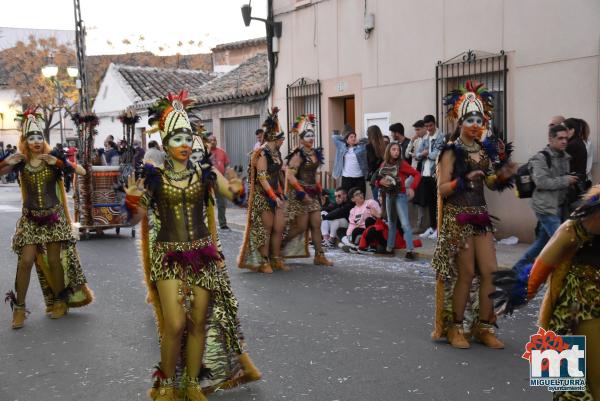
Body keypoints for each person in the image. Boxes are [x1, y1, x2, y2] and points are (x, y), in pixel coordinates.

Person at [125, 91, 260, 400]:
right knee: (174, 325)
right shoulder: (154, 176)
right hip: (167, 256)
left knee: (198, 322)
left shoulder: (206, 173)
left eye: (188, 138)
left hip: (203, 255)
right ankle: (167, 383)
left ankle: (190, 383)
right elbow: (134, 217)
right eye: (177, 139)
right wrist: (133, 200)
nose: (184, 144)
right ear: (165, 142)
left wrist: (239, 188)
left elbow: (237, 198)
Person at [431, 81, 517, 349]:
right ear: (459, 120)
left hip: (481, 218)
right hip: (458, 219)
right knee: (466, 274)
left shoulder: (485, 150)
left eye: (479, 118)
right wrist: (463, 180)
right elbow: (443, 189)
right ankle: (456, 328)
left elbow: (490, 182)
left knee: (490, 272)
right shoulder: (450, 152)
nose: (475, 123)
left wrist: (502, 175)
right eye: (470, 118)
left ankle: (484, 327)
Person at [492, 186, 600, 400]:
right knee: (569, 388)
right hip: (577, 307)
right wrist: (514, 298)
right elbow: (538, 270)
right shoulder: (574, 228)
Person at [0, 108, 93, 329]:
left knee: (53, 261)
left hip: (54, 217)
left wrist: (59, 163)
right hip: (31, 219)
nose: (36, 141)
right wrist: (6, 161)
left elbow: (81, 172)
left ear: (44, 139)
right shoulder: (20, 162)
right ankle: (19, 308)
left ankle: (60, 301)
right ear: (25, 141)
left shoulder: (53, 160)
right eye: (31, 138)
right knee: (25, 261)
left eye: (39, 137)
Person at [512, 124, 577, 274]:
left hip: (559, 206)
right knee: (562, 242)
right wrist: (566, 180)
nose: (564, 141)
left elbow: (560, 180)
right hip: (545, 207)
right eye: (560, 138)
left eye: (566, 138)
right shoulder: (540, 158)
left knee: (542, 243)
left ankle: (516, 271)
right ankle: (565, 275)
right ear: (551, 139)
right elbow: (542, 182)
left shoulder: (565, 157)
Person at [238, 107, 287, 273]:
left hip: (275, 194)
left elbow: (278, 174)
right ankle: (264, 261)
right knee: (266, 229)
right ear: (274, 138)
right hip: (263, 195)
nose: (283, 141)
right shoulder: (261, 154)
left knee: (279, 227)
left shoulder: (277, 153)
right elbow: (262, 177)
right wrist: (274, 196)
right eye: (281, 138)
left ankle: (275, 258)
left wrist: (281, 193)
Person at [282, 114, 333, 267]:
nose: (311, 138)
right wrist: (301, 192)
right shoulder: (298, 154)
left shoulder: (316, 153)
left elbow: (315, 174)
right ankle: (279, 246)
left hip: (312, 194)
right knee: (301, 227)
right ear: (302, 138)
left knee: (317, 223)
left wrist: (320, 191)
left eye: (312, 135)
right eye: (308, 136)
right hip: (299, 194)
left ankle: (319, 256)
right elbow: (290, 175)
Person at [375, 142, 421, 259]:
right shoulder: (384, 164)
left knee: (405, 223)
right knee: (391, 223)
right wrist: (380, 183)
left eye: (398, 150)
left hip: (400, 195)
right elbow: (377, 180)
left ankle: (410, 250)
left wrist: (412, 187)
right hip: (389, 196)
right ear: (389, 151)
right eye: (393, 149)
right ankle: (389, 248)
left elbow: (416, 174)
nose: (396, 152)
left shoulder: (402, 163)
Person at [417, 115, 445, 240]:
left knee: (438, 203)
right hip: (425, 174)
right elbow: (417, 154)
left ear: (435, 124)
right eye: (427, 126)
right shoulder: (426, 137)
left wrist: (426, 153)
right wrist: (424, 154)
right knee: (430, 203)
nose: (429, 128)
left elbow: (437, 154)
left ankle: (439, 228)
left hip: (436, 174)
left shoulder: (441, 137)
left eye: (430, 125)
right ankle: (432, 227)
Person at [332, 124, 368, 195]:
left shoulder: (361, 148)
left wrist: (358, 141)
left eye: (354, 137)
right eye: (351, 137)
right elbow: (334, 137)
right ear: (347, 139)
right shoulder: (342, 147)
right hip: (347, 178)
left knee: (360, 197)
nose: (353, 138)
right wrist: (345, 138)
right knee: (347, 198)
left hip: (359, 178)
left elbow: (368, 141)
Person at [407, 120, 428, 232]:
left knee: (420, 199)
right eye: (415, 129)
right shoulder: (416, 140)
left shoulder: (427, 139)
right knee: (404, 193)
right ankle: (408, 222)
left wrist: (418, 155)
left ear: (424, 128)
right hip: (413, 172)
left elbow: (422, 156)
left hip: (421, 173)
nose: (416, 132)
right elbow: (406, 153)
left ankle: (420, 225)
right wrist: (411, 141)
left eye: (418, 129)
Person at [208, 134, 231, 230]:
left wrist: (226, 178)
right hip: (207, 181)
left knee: (222, 203)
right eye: (211, 140)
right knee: (207, 203)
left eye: (214, 140)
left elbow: (227, 166)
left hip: (219, 180)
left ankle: (222, 223)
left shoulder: (222, 152)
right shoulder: (204, 153)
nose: (213, 141)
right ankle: (207, 224)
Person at [366, 125, 386, 201]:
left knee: (377, 200)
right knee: (384, 200)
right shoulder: (384, 144)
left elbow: (371, 161)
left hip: (375, 176)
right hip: (384, 174)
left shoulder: (369, 146)